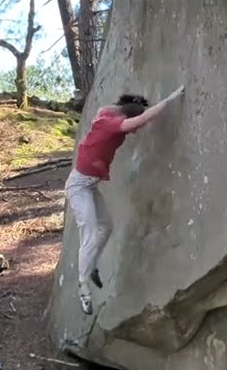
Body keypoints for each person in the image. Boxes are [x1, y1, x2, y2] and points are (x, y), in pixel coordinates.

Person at [66, 86, 185, 314]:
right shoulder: (112, 126)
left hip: (89, 185)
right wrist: (169, 99)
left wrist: (133, 103)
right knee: (89, 232)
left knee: (106, 226)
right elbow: (142, 119)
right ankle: (83, 287)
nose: (133, 133)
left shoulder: (107, 114)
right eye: (131, 125)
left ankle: (90, 267)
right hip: (79, 187)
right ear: (126, 117)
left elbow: (117, 110)